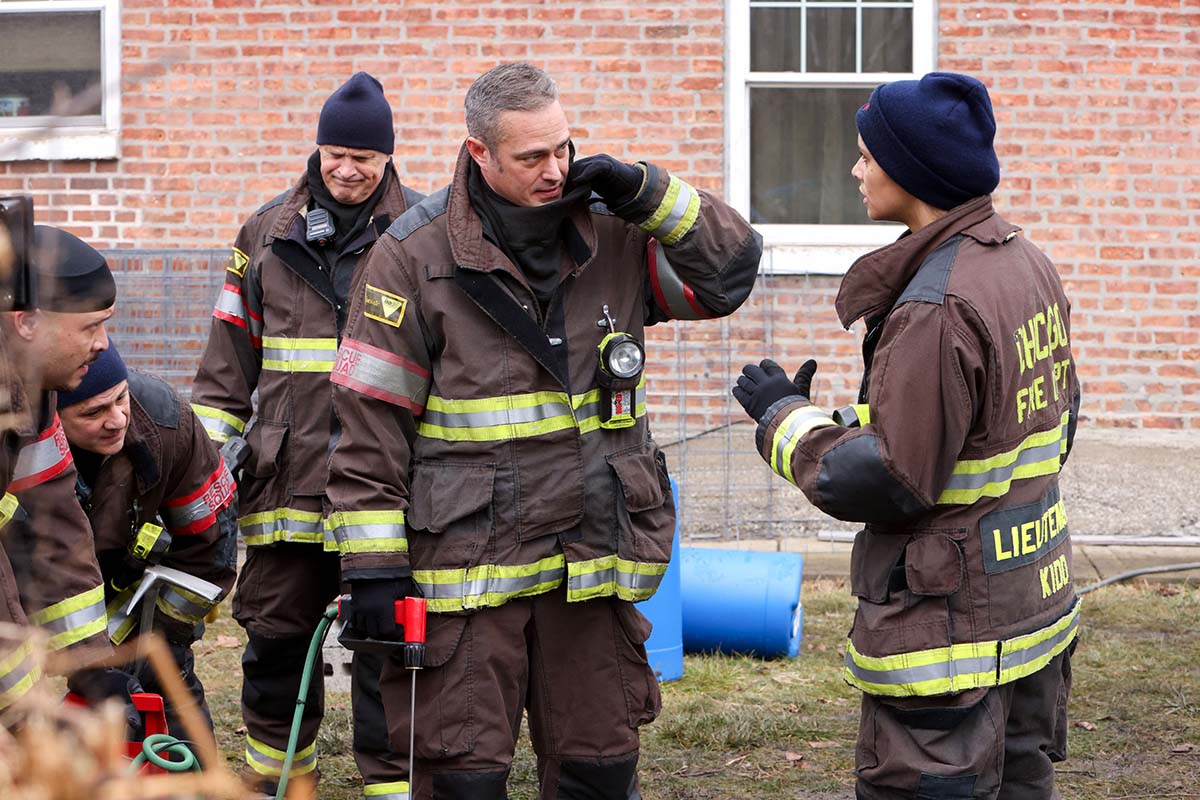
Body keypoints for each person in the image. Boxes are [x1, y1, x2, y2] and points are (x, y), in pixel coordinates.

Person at [325, 61, 762, 799]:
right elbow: (369, 426)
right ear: (479, 153)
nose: (556, 171)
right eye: (532, 157)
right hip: (467, 574)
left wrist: (647, 190)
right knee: (461, 775)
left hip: (587, 568)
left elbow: (728, 273)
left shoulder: (613, 232)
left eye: (564, 148)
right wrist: (371, 567)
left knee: (600, 771)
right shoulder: (412, 257)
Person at [732, 72, 1082, 799]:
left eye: (867, 155)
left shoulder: (937, 305)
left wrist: (784, 421)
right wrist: (856, 419)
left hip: (952, 628)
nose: (856, 171)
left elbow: (892, 477)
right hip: (1028, 607)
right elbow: (1025, 420)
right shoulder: (1023, 263)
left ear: (913, 173)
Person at [191, 72, 424, 795]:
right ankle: (280, 778)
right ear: (317, 148)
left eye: (364, 156)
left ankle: (393, 784)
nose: (347, 169)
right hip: (282, 484)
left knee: (389, 645)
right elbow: (227, 365)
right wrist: (200, 474)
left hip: (386, 489)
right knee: (275, 641)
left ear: (388, 157)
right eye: (334, 153)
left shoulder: (424, 232)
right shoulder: (265, 234)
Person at [1, 224, 143, 729]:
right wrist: (26, 713)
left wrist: (93, 667)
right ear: (28, 322)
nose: (105, 345)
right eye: (91, 327)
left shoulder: (32, 385)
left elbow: (52, 521)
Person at [57, 342, 237, 736]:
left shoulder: (165, 420)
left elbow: (210, 544)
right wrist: (90, 662)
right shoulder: (19, 447)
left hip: (135, 583)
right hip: (51, 598)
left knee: (164, 676)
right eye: (93, 412)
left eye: (120, 398)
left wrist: (166, 638)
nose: (118, 419)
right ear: (51, 417)